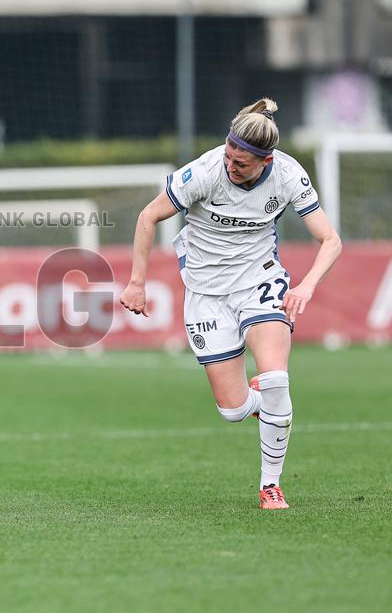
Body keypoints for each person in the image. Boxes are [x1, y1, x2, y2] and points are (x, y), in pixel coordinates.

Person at [119, 98, 342, 509]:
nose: (231, 167)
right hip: (205, 292)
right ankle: (260, 405)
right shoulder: (204, 173)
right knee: (234, 410)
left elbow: (330, 239)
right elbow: (147, 217)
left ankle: (270, 485)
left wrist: (305, 286)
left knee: (276, 378)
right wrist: (137, 283)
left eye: (241, 164)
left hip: (260, 280)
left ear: (265, 161)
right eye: (229, 156)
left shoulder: (289, 176)